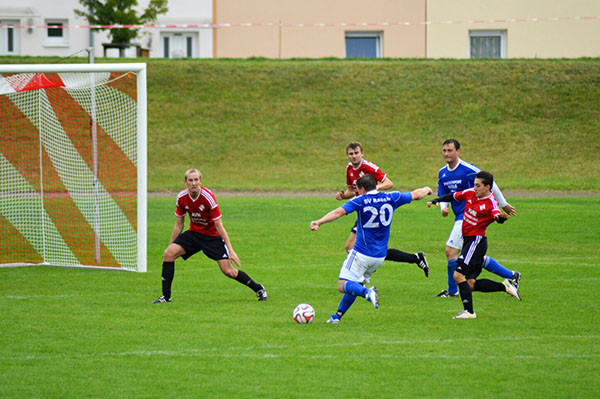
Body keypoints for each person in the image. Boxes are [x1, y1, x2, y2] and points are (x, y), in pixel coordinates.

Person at [312, 174, 432, 323]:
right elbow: (415, 195)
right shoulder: (392, 197)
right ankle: (337, 316)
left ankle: (368, 293)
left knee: (343, 285)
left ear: (362, 189)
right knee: (355, 284)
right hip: (379, 257)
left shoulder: (360, 200)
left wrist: (319, 222)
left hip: (361, 254)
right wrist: (427, 189)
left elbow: (339, 212)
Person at [152, 168, 267, 303]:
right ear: (185, 182)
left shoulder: (208, 198)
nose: (194, 183)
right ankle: (166, 297)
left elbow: (219, 226)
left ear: (201, 181)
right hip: (194, 234)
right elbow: (179, 224)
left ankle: (259, 288)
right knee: (169, 254)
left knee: (229, 271)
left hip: (212, 237)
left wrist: (231, 250)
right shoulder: (181, 198)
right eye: (190, 180)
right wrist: (169, 248)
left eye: (196, 180)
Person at [427, 171, 520, 319]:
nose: (474, 188)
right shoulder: (470, 193)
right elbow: (454, 196)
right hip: (468, 242)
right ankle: (505, 286)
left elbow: (496, 215)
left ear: (487, 187)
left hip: (476, 242)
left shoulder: (491, 202)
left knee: (458, 275)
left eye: (478, 185)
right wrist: (436, 200)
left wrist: (500, 218)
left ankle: (469, 312)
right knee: (470, 284)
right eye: (474, 185)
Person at [434, 139, 519, 298]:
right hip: (461, 217)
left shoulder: (468, 169)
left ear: (458, 151)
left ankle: (452, 292)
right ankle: (511, 275)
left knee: (450, 252)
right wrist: (443, 207)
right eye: (444, 150)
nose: (446, 153)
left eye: (450, 150)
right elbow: (443, 192)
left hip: (468, 217)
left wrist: (503, 204)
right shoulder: (442, 173)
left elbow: (490, 184)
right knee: (474, 258)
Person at [336, 141, 430, 277]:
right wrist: (343, 195)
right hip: (364, 211)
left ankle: (358, 278)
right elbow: (352, 191)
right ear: (347, 156)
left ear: (362, 153)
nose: (354, 156)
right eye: (351, 154)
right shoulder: (349, 168)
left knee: (352, 247)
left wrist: (374, 189)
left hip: (374, 209)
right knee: (371, 250)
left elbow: (389, 183)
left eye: (356, 153)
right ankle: (415, 258)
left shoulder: (369, 167)